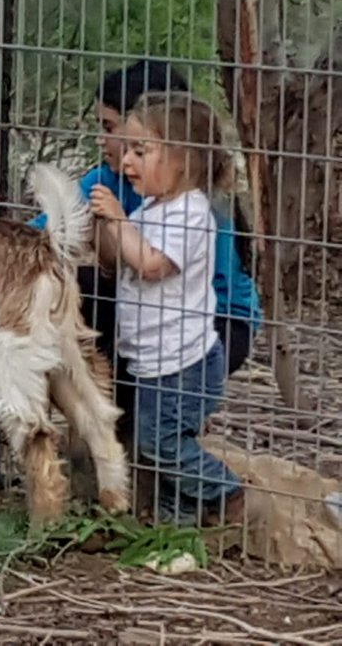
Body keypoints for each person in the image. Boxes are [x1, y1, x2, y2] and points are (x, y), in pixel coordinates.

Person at [29, 59, 262, 429]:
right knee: (79, 288)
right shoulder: (106, 178)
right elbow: (41, 232)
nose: (101, 141)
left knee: (159, 421)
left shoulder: (199, 204)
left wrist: (116, 231)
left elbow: (162, 274)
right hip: (149, 310)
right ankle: (113, 431)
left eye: (109, 128)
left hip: (210, 322)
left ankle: (156, 432)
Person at [89, 91, 246, 525]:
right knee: (161, 444)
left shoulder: (191, 213)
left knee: (161, 444)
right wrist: (105, 226)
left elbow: (153, 264)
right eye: (129, 150)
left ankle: (227, 490)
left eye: (142, 151)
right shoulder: (153, 208)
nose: (127, 161)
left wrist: (119, 221)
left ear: (185, 160)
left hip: (183, 363)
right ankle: (177, 524)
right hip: (154, 361)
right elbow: (116, 255)